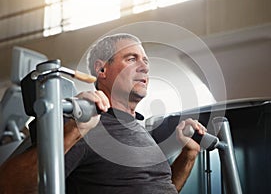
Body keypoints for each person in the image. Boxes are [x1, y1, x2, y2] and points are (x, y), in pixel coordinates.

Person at [0, 33, 206, 194]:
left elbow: (160, 188)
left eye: (145, 61)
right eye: (131, 59)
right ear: (101, 70)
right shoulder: (80, 122)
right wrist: (76, 129)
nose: (144, 67)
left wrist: (188, 155)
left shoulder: (138, 129)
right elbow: (10, 187)